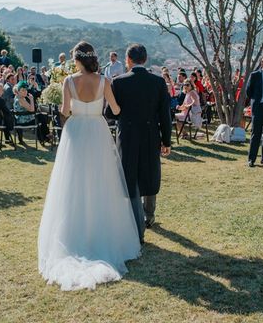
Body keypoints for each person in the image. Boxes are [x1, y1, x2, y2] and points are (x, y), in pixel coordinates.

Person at [39, 41, 141, 291]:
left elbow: (64, 110)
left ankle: (74, 236)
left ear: (76, 59)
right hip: (97, 129)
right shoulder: (104, 81)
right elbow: (115, 109)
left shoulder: (68, 82)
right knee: (100, 181)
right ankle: (100, 232)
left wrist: (73, 107)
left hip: (75, 132)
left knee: (73, 182)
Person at [108, 43, 172, 241]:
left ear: (128, 60)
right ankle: (149, 215)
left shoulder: (118, 82)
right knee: (150, 172)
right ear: (145, 59)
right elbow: (165, 115)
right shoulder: (158, 82)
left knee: (130, 173)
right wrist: (166, 141)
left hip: (127, 135)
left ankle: (134, 218)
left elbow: (111, 113)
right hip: (151, 134)